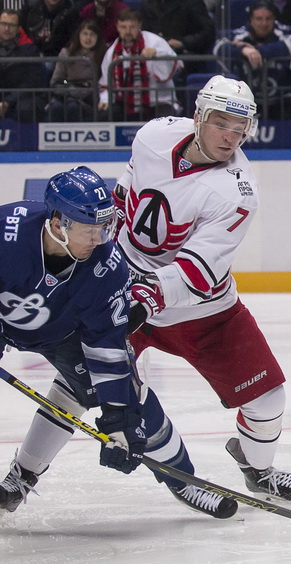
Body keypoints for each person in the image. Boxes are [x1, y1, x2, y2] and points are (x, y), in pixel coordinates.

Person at [112, 76, 291, 504]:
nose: (232, 135)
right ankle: (23, 475)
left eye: (241, 126)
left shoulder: (238, 189)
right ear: (199, 117)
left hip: (201, 310)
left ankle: (258, 471)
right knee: (72, 385)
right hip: (123, 284)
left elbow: (198, 270)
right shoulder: (153, 135)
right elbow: (123, 194)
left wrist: (148, 295)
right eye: (223, 121)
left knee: (267, 398)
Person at [0, 166, 237, 519]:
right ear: (57, 224)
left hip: (66, 334)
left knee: (133, 402)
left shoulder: (107, 267)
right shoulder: (7, 235)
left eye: (104, 226)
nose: (100, 238)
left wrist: (118, 419)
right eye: (90, 229)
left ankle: (185, 481)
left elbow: (106, 345)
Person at [213, 0, 291, 118]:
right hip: (248, 100)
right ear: (251, 20)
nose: (264, 23)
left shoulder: (286, 31)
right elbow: (218, 48)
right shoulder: (241, 34)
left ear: (274, 19)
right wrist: (243, 50)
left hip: (284, 99)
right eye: (259, 19)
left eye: (268, 18)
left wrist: (254, 50)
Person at [98, 8, 183, 121]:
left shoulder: (154, 41)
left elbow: (178, 63)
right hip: (126, 104)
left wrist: (157, 54)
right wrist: (105, 100)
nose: (128, 31)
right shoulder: (112, 52)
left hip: (159, 101)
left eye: (132, 27)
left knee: (165, 120)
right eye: (123, 27)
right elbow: (105, 83)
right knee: (105, 116)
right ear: (117, 27)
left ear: (139, 26)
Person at [46, 20, 105, 121]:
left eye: (92, 34)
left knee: (73, 107)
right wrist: (70, 90)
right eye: (85, 34)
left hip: (88, 98)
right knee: (56, 107)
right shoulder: (66, 53)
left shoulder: (103, 54)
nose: (88, 38)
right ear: (79, 35)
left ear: (97, 37)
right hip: (66, 94)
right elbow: (56, 80)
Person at [0, 7, 45, 122]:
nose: (6, 28)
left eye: (11, 25)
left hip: (23, 96)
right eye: (3, 23)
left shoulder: (29, 50)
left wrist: (8, 101)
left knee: (26, 109)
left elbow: (32, 82)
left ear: (18, 28)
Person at [138, 0, 215, 56]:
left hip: (185, 55)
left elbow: (208, 32)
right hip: (154, 54)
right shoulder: (147, 4)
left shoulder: (192, 2)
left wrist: (183, 43)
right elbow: (144, 32)